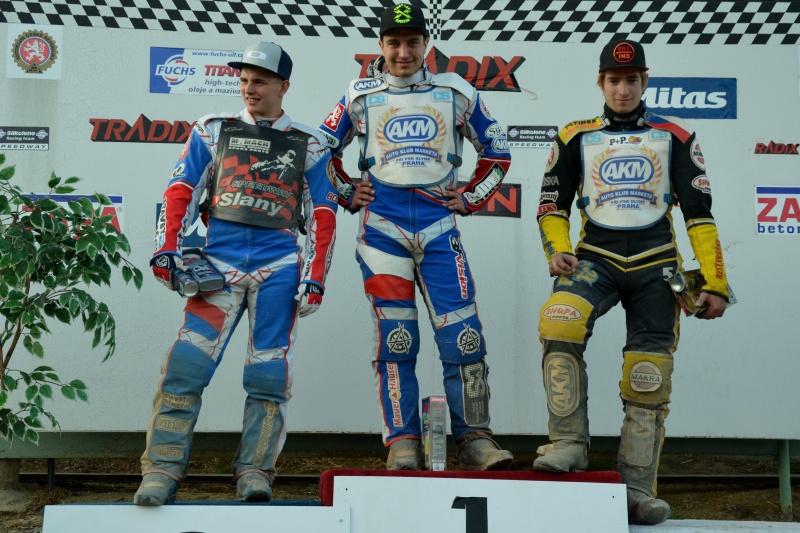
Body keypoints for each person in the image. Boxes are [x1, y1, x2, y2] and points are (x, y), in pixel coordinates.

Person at [533, 39, 730, 525]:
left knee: (648, 374)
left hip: (657, 265)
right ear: (601, 83)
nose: (623, 89)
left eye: (632, 80)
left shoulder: (675, 136)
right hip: (593, 260)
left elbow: (700, 216)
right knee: (559, 321)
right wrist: (557, 249)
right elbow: (551, 206)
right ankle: (568, 443)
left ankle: (636, 489)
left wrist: (716, 281)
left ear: (645, 81)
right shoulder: (574, 135)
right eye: (614, 80)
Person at [134, 41, 338, 505]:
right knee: (185, 367)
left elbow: (323, 212)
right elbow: (181, 189)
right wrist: (166, 249)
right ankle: (161, 469)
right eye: (244, 80)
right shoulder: (212, 130)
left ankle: (255, 470)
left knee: (269, 376)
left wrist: (315, 276)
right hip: (219, 268)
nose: (250, 88)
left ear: (284, 86)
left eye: (260, 81)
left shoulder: (310, 143)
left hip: (279, 271)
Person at [318, 2, 513, 471]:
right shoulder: (359, 94)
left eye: (412, 42)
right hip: (382, 235)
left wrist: (471, 196)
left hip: (439, 230)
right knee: (396, 338)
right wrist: (346, 191)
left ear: (426, 43)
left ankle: (475, 438)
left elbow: (498, 149)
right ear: (381, 45)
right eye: (394, 43)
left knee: (464, 335)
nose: (403, 52)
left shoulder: (455, 91)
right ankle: (402, 440)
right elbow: (319, 150)